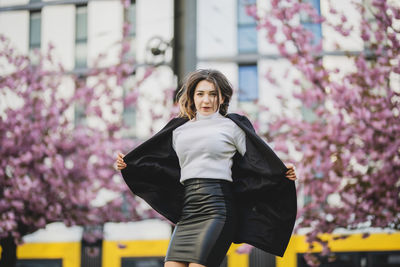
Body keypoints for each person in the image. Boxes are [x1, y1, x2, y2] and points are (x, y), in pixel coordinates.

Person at [115, 69, 297, 267]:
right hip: (188, 210)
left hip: (218, 208)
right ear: (192, 97)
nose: (206, 100)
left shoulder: (232, 127)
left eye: (213, 94)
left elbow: (258, 160)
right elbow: (159, 164)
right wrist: (131, 165)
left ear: (222, 97)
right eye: (200, 94)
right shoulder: (178, 130)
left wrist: (281, 170)